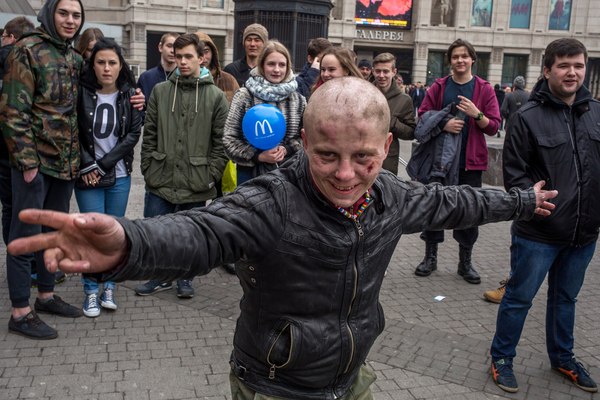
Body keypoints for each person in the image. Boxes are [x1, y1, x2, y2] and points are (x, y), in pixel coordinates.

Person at [6, 77, 557, 399]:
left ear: (387, 148)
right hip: (272, 387)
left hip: (352, 378)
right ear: (302, 143)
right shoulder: (269, 201)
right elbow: (201, 232)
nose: (345, 174)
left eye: (362, 157)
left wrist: (523, 200)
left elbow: (455, 200)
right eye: (326, 156)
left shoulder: (393, 195)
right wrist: (127, 245)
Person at [490, 38, 600, 394]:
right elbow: (515, 174)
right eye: (564, 65)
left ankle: (563, 358)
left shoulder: (597, 112)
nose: (572, 72)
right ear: (548, 69)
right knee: (519, 298)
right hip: (538, 232)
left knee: (565, 299)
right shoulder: (526, 117)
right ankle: (502, 358)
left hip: (583, 233)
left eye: (578, 65)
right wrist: (533, 200)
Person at [0, 0, 88, 340]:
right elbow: (12, 112)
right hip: (34, 166)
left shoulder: (74, 56)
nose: (70, 20)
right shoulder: (26, 51)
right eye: (64, 13)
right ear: (50, 13)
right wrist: (26, 163)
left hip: (64, 166)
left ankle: (46, 296)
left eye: (76, 15)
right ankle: (20, 312)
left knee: (55, 236)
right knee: (25, 238)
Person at [134, 33, 229, 298]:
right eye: (179, 57)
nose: (183, 62)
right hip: (160, 177)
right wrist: (148, 169)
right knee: (155, 231)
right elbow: (149, 134)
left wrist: (210, 176)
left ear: (202, 58)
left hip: (197, 180)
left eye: (189, 56)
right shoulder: (161, 92)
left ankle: (185, 278)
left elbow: (220, 144)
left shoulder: (216, 97)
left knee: (190, 236)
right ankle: (159, 275)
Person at [414, 38, 501, 284]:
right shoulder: (440, 86)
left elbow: (494, 127)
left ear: (473, 59)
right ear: (450, 61)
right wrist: (444, 124)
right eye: (455, 56)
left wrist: (477, 114)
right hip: (440, 161)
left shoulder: (484, 89)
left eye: (465, 56)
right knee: (434, 207)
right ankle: (430, 258)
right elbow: (423, 115)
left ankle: (465, 263)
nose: (460, 60)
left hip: (470, 162)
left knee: (469, 211)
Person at [75, 38, 142, 317]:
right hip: (86, 177)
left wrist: (103, 165)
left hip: (120, 176)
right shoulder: (81, 92)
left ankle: (110, 285)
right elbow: (73, 132)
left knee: (114, 235)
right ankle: (91, 290)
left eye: (112, 63)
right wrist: (89, 166)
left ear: (120, 66)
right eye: (100, 62)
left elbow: (132, 136)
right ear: (92, 65)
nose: (106, 68)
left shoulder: (130, 95)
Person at [224, 40, 306, 185]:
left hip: (288, 174)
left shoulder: (298, 99)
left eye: (282, 65)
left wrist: (286, 149)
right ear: (261, 65)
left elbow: (306, 137)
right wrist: (258, 156)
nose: (277, 69)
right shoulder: (244, 96)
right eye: (271, 64)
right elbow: (229, 139)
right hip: (249, 176)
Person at [195, 30, 240, 275]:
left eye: (207, 51)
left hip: (223, 153)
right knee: (196, 206)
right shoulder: (182, 80)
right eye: (198, 52)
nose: (203, 57)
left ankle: (224, 252)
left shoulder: (229, 81)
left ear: (213, 54)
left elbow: (238, 115)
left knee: (225, 205)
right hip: (195, 154)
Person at [483, 75, 531, 304]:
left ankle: (516, 284)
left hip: (514, 134)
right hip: (533, 192)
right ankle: (513, 284)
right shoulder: (531, 101)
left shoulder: (512, 97)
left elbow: (500, 113)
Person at [0, 16, 35, 244]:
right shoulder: (34, 61)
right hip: (28, 149)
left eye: (3, 36)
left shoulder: (8, 58)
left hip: (4, 150)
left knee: (9, 207)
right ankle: (31, 263)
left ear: (12, 37)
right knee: (30, 208)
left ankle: (15, 254)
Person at [371, 52, 415, 175]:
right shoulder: (364, 92)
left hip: (388, 159)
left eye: (385, 71)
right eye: (378, 71)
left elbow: (411, 133)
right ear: (373, 71)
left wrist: (392, 122)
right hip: (362, 155)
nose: (381, 75)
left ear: (394, 72)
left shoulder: (404, 100)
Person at [137, 32, 179, 99]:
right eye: (169, 46)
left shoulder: (185, 78)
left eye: (176, 47)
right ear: (160, 47)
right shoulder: (146, 77)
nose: (172, 51)